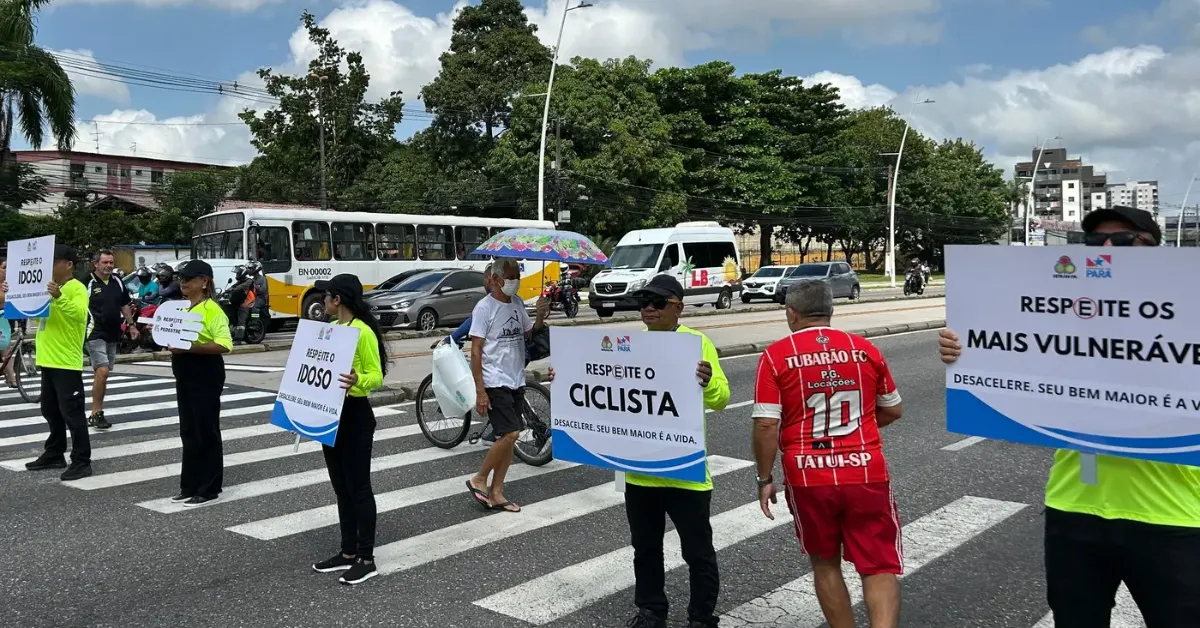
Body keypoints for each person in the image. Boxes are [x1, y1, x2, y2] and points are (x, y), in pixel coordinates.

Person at [937, 205, 1199, 628]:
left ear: (1155, 248)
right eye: (1095, 241)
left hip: (1174, 514)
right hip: (1075, 507)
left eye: (1124, 240)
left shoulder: (1192, 311)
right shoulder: (1063, 313)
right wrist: (964, 353)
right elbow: (1011, 355)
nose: (1107, 249)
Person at [751, 280, 904, 628]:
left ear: (792, 313)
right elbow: (893, 409)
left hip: (808, 475)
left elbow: (766, 424)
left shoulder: (775, 356)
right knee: (879, 564)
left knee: (824, 562)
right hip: (865, 470)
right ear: (831, 310)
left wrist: (764, 478)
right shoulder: (865, 349)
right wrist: (856, 427)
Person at [623, 274, 730, 628]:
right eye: (643, 302)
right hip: (640, 473)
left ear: (678, 308)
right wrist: (568, 379)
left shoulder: (697, 344)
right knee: (645, 549)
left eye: (657, 302)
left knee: (697, 552)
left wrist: (708, 381)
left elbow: (721, 399)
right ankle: (651, 611)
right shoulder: (631, 345)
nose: (648, 309)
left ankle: (701, 618)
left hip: (686, 473)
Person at [309, 274, 388, 586]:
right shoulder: (332, 328)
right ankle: (347, 551)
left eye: (326, 295)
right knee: (341, 487)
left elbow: (376, 376)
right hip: (331, 415)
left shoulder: (362, 332)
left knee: (359, 488)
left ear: (337, 299)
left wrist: (358, 381)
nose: (323, 300)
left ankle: (366, 559)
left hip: (355, 415)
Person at [463, 259, 549, 513]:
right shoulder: (484, 308)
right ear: (497, 279)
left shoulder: (518, 303)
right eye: (511, 277)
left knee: (510, 438)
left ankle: (497, 492)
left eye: (517, 277)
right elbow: (476, 350)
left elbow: (529, 333)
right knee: (510, 433)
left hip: (516, 378)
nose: (515, 282)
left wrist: (540, 315)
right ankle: (479, 478)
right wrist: (480, 390)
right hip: (494, 380)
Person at [24, 245, 93, 481]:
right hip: (48, 359)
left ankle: (82, 461)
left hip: (66, 361)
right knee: (50, 410)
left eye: (54, 262)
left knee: (72, 413)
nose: (49, 267)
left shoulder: (76, 288)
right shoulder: (50, 288)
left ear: (68, 264)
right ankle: (54, 452)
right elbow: (36, 315)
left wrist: (59, 297)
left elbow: (80, 314)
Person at [167, 260, 232, 507]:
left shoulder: (212, 310)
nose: (183, 282)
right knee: (188, 429)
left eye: (189, 278)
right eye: (181, 278)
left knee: (206, 429)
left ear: (204, 282)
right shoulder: (183, 308)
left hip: (205, 372)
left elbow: (224, 344)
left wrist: (189, 347)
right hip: (184, 371)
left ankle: (209, 487)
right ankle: (189, 485)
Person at [85, 249, 138, 430]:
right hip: (94, 332)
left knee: (103, 373)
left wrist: (131, 325)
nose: (108, 266)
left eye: (111, 262)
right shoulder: (87, 281)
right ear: (96, 264)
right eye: (105, 262)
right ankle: (96, 413)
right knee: (103, 371)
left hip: (113, 333)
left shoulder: (118, 281)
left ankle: (96, 410)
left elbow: (124, 304)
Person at [0, 257, 16, 388]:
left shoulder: (10, 284)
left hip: (5, 319)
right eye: (4, 267)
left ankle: (12, 378)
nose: (6, 271)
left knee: (7, 349)